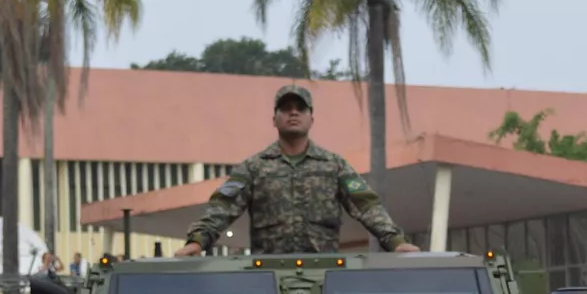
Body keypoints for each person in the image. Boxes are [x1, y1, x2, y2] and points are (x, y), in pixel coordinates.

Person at [177, 84, 419, 257]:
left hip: (324, 272)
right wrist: (198, 241)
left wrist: (395, 242)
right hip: (268, 275)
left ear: (311, 118)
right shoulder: (254, 167)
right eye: (286, 108)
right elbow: (222, 207)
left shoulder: (333, 165)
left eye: (300, 108)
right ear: (274, 119)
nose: (293, 113)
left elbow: (366, 205)